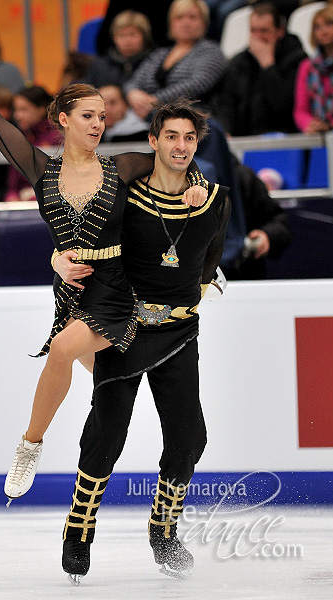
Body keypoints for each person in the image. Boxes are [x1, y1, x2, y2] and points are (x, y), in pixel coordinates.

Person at [0, 20, 208, 506]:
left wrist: (192, 179)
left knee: (63, 349)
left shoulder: (122, 166)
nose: (97, 123)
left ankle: (30, 444)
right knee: (110, 382)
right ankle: (100, 497)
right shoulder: (40, 168)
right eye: (87, 115)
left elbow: (175, 159)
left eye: (103, 117)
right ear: (63, 119)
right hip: (70, 291)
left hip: (114, 286)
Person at [53, 99, 230, 583]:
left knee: (190, 435)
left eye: (189, 138)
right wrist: (57, 259)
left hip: (178, 332)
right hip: (124, 330)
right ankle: (79, 526)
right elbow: (81, 234)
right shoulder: (125, 194)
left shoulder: (215, 198)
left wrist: (205, 280)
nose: (180, 145)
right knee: (107, 432)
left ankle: (163, 525)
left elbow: (211, 260)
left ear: (197, 144)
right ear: (153, 141)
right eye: (170, 136)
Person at [123, 0, 227, 121]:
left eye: (193, 17)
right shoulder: (160, 54)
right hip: (151, 117)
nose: (186, 23)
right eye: (179, 17)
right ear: (171, 23)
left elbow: (197, 84)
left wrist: (154, 101)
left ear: (204, 23)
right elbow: (133, 81)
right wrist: (132, 93)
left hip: (194, 120)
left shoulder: (211, 51)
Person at [216, 1, 307, 136]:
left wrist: (268, 65)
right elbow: (227, 104)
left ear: (280, 31)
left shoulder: (297, 59)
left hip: (284, 137)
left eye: (264, 31)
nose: (258, 37)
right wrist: (226, 130)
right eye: (253, 30)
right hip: (245, 139)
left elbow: (283, 106)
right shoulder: (240, 62)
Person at [222, 155, 292, 279]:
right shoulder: (178, 182)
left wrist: (266, 235)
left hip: (242, 278)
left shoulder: (242, 176)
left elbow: (278, 222)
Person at [5, 85, 62, 203]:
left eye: (24, 110)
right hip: (21, 205)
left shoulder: (59, 138)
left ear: (41, 109)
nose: (17, 116)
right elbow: (12, 187)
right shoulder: (19, 138)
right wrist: (12, 197)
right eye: (16, 110)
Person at [293, 4, 333, 134]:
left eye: (329, 24)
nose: (323, 31)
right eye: (317, 27)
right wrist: (311, 125)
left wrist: (331, 125)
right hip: (317, 133)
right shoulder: (307, 67)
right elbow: (300, 110)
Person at [84, 10, 153, 89]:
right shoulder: (99, 66)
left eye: (132, 34)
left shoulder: (155, 62)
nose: (127, 41)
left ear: (144, 36)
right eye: (121, 35)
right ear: (113, 38)